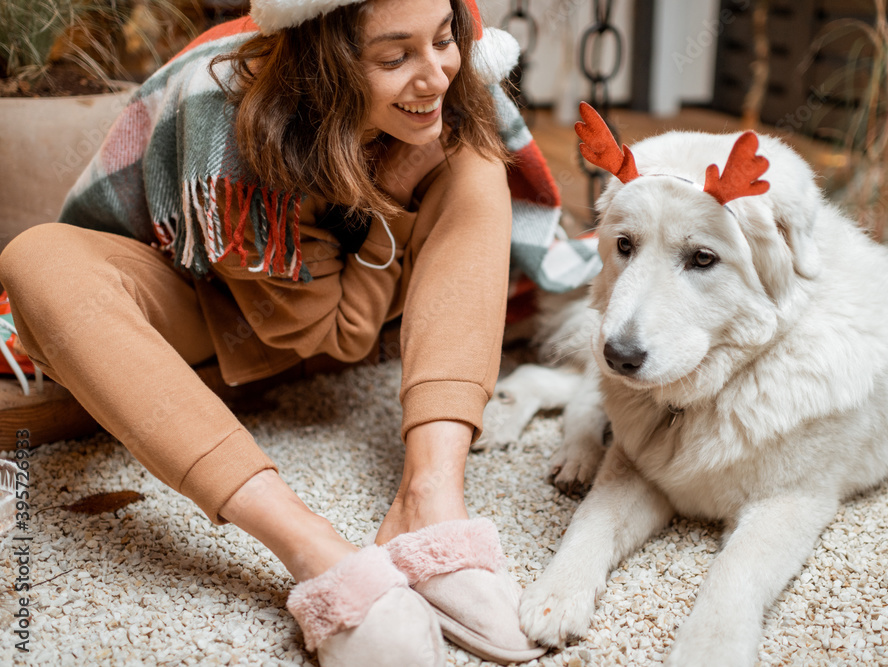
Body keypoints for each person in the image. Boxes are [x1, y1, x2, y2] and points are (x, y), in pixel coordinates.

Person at [0, 0, 572, 664]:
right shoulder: (230, 116)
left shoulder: (446, 89)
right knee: (36, 255)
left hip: (341, 283)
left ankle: (430, 500)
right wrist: (396, 183)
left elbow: (347, 324)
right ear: (325, 65)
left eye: (444, 39)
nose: (435, 76)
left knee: (474, 157)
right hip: (200, 299)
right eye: (394, 57)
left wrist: (399, 176)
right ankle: (312, 548)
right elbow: (331, 333)